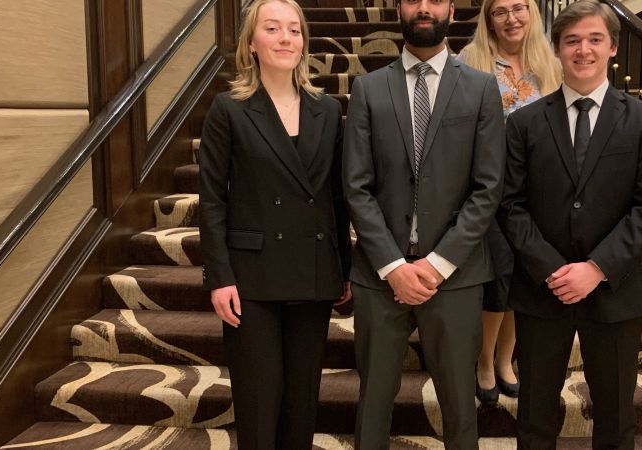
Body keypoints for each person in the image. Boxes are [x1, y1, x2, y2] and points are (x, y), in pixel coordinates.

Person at [497, 0, 642, 448]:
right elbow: (510, 205)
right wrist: (554, 270)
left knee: (615, 416)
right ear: (556, 48)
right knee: (535, 415)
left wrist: (595, 268)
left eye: (595, 39)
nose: (583, 50)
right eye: (571, 40)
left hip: (616, 289)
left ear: (613, 46)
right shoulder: (524, 122)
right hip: (543, 290)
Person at [342, 0, 506, 446]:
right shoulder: (368, 89)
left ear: (450, 8)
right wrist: (393, 265)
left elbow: (488, 188)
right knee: (373, 400)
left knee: (458, 402)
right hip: (381, 275)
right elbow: (356, 186)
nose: (424, 8)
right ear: (399, 8)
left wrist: (438, 263)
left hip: (456, 274)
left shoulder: (481, 88)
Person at [198, 0, 351, 448]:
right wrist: (219, 276)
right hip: (252, 277)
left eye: (294, 30)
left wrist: (343, 264)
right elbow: (212, 200)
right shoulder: (228, 109)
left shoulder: (327, 109)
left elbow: (335, 197)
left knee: (302, 401)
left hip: (315, 268)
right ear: (252, 43)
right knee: (259, 401)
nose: (286, 38)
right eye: (273, 29)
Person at [457, 0, 560, 406]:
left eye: (519, 8)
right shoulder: (471, 60)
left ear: (532, 13)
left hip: (538, 190)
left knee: (523, 276)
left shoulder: (549, 62)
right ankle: (483, 360)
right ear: (488, 19)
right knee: (499, 275)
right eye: (500, 10)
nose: (511, 18)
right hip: (488, 189)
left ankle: (505, 359)